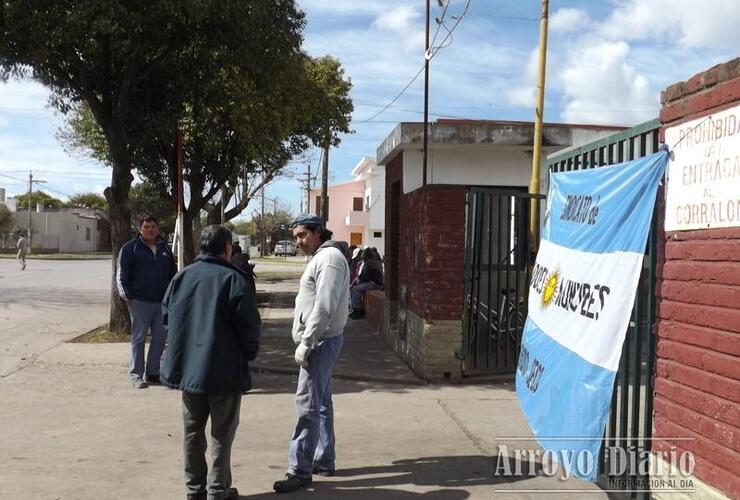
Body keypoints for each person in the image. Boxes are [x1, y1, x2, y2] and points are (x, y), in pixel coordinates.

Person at [161, 225, 261, 500]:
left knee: (192, 432)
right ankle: (218, 490)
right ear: (227, 248)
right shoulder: (234, 279)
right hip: (223, 371)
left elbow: (167, 318)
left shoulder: (181, 277)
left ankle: (195, 490)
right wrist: (248, 353)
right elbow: (249, 328)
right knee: (221, 433)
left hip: (189, 371)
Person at [273, 214, 349, 494]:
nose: (298, 242)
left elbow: (324, 307)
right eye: (295, 237)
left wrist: (306, 342)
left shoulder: (328, 259)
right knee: (321, 402)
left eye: (303, 235)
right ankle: (323, 459)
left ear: (319, 232)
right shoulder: (323, 258)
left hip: (319, 342)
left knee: (307, 406)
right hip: (323, 340)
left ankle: (300, 470)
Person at [116, 216, 177, 389]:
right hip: (139, 302)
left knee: (160, 339)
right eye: (146, 226)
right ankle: (136, 375)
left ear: (157, 229)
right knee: (138, 338)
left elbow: (173, 275)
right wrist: (127, 297)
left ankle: (153, 373)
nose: (150, 229)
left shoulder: (165, 249)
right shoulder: (130, 248)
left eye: (153, 226)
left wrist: (172, 296)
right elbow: (121, 275)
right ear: (140, 229)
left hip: (162, 303)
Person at [349, 247, 383, 319]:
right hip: (377, 282)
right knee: (355, 287)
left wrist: (357, 281)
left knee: (355, 289)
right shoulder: (375, 261)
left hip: (375, 283)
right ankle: (355, 308)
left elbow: (364, 277)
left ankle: (358, 310)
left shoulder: (368, 263)